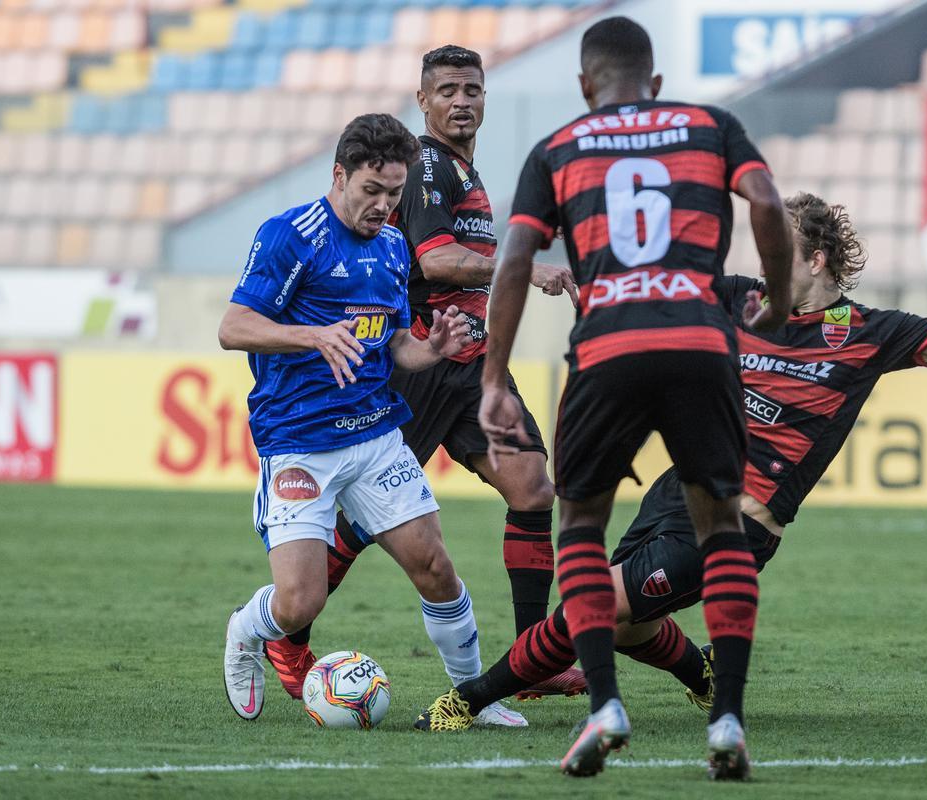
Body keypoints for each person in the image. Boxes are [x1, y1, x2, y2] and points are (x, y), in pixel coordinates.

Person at [414, 192, 927, 782]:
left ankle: (466, 701)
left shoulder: (871, 333)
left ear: (816, 260)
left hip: (736, 524)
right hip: (673, 492)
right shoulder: (742, 299)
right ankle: (703, 676)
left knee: (593, 606)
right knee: (628, 624)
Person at [471, 16, 794, 778]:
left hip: (608, 346)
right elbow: (770, 205)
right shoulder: (712, 125)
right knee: (720, 526)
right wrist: (777, 307)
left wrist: (492, 377)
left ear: (586, 86)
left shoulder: (559, 147)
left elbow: (516, 255)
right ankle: (728, 722)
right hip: (698, 341)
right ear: (653, 83)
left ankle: (605, 706)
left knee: (581, 522)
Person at [261, 45, 584, 719]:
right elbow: (437, 263)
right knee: (367, 515)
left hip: (469, 366)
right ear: (424, 100)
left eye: (473, 89)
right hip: (420, 362)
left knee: (531, 489)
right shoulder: (426, 164)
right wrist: (525, 267)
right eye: (448, 91)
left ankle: (530, 659)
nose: (462, 100)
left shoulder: (460, 167)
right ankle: (289, 638)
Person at [219, 113, 494, 723]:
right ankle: (245, 630)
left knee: (436, 567)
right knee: (298, 603)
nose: (384, 205)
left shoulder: (394, 246)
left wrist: (435, 349)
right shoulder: (291, 234)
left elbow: (396, 347)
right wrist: (311, 336)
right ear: (339, 175)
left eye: (394, 193)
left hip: (374, 434)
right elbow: (233, 328)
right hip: (298, 441)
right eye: (372, 191)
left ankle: (475, 697)